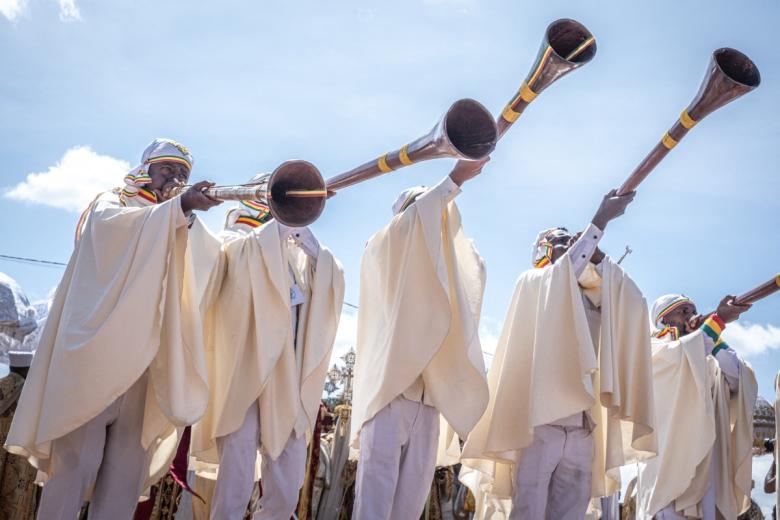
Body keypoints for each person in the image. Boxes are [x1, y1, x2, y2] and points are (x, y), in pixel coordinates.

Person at [5, 139, 223, 519]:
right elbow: (110, 234)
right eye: (168, 168)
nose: (175, 177)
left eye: (182, 173)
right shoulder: (113, 205)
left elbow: (206, 266)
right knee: (76, 465)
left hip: (145, 365)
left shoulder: (180, 220)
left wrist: (185, 215)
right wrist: (180, 208)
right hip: (97, 357)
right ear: (147, 168)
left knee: (125, 474)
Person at [460, 189, 657, 520]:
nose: (571, 247)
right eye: (563, 243)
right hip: (539, 426)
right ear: (545, 252)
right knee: (528, 512)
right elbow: (563, 273)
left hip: (581, 428)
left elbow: (632, 301)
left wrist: (598, 257)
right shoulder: (534, 283)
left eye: (573, 242)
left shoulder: (593, 297)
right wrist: (599, 221)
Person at [190, 175, 344, 519]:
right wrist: (284, 224)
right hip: (244, 378)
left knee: (287, 488)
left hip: (287, 380)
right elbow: (228, 261)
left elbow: (332, 273)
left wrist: (302, 219)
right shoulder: (235, 240)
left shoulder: (301, 250)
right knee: (236, 483)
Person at [350, 157, 491, 520]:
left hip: (429, 406)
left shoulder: (443, 270)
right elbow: (413, 226)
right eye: (422, 212)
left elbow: (473, 263)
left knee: (408, 510)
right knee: (374, 506)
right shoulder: (383, 245)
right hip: (389, 397)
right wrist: (454, 180)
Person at [636, 293, 758, 519]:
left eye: (693, 311)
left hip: (706, 469)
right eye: (683, 312)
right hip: (668, 467)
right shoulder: (652, 349)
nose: (692, 316)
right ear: (664, 320)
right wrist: (717, 322)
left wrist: (715, 336)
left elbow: (739, 378)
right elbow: (684, 354)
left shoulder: (707, 356)